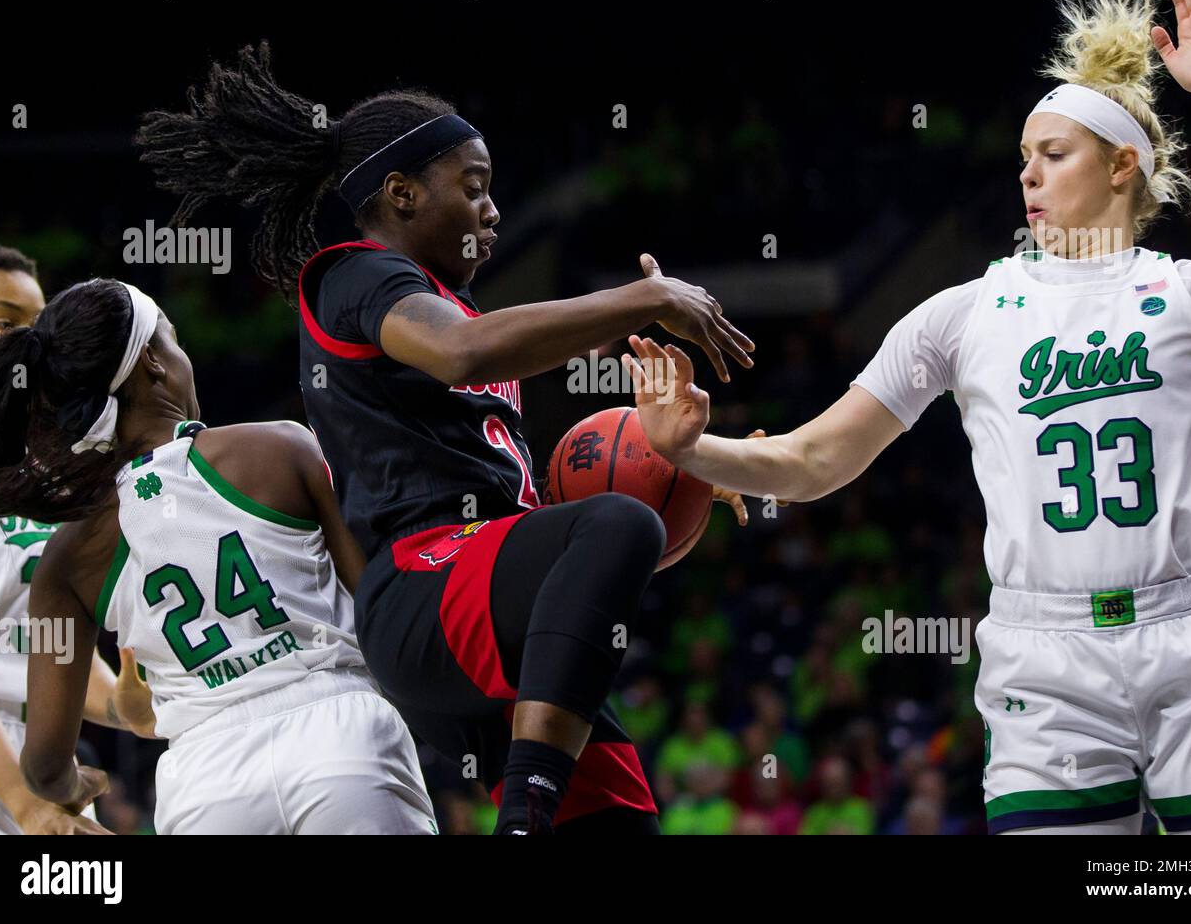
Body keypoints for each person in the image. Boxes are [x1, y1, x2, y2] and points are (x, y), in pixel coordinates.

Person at [624, 0, 1191, 834]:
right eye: (1022, 160)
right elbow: (816, 457)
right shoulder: (963, 314)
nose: (1028, 177)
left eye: (1052, 154)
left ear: (1124, 165)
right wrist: (693, 450)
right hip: (1045, 656)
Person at [136, 45, 757, 833]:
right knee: (618, 524)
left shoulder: (451, 308)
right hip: (424, 585)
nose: (492, 210)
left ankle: (533, 804)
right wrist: (644, 296)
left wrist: (695, 462)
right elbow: (467, 352)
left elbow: (524, 456)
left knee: (621, 816)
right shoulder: (355, 276)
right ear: (400, 193)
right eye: (474, 188)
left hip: (495, 608)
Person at [0, 277, 436, 834]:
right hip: (340, 735)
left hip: (202, 782)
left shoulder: (67, 556)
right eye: (174, 339)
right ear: (153, 362)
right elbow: (384, 614)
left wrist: (77, 786)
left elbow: (45, 764)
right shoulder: (278, 447)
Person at [0, 243, 155, 836]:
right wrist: (23, 804)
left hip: (47, 785)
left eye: (36, 329)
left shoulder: (52, 473)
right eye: (4, 322)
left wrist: (120, 707)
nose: (26, 345)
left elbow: (48, 648)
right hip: (4, 787)